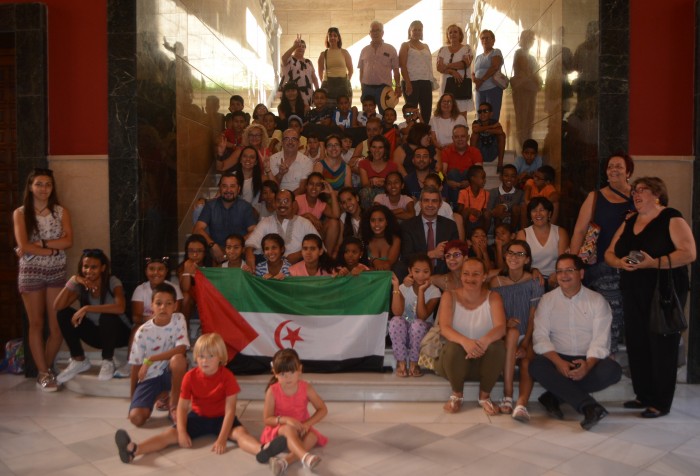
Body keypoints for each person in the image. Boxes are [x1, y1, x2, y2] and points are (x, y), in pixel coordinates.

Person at [115, 333, 287, 464]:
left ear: (221, 358)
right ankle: (133, 450)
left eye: (211, 356)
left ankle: (263, 450)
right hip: (197, 417)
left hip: (222, 418)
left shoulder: (227, 377)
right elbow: (182, 408)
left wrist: (222, 438)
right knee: (169, 435)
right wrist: (182, 432)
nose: (205, 361)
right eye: (201, 356)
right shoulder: (190, 377)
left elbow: (230, 411)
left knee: (241, 434)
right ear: (196, 357)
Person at [605, 177, 696, 418]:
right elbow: (609, 253)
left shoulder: (671, 217)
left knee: (661, 344)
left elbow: (689, 253)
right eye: (634, 190)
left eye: (641, 190)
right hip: (633, 289)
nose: (635, 194)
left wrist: (652, 263)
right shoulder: (630, 220)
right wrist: (619, 262)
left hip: (664, 290)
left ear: (657, 194)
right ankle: (643, 395)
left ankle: (661, 401)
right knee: (637, 342)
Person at [530, 254, 622, 430]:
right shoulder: (548, 300)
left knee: (613, 371)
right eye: (560, 271)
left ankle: (554, 397)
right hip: (559, 356)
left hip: (587, 357)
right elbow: (540, 337)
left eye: (569, 271)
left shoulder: (597, 301)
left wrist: (588, 365)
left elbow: (601, 340)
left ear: (581, 273)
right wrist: (558, 362)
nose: (563, 275)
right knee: (537, 365)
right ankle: (588, 406)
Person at [12, 167, 73, 391]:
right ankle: (44, 373)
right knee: (36, 323)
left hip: (56, 271)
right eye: (39, 184)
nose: (43, 189)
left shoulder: (60, 212)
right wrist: (51, 250)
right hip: (31, 272)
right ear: (30, 186)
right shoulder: (20, 213)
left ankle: (44, 370)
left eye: (47, 184)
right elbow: (24, 245)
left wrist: (42, 245)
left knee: (56, 327)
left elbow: (68, 241)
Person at [570, 152, 634, 354]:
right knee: (611, 304)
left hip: (632, 264)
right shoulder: (595, 197)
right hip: (600, 265)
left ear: (628, 172)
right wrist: (573, 264)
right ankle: (609, 352)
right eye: (610, 167)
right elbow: (579, 230)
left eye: (619, 167)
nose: (614, 170)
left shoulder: (638, 196)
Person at [435, 258, 507, 415]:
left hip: (483, 362)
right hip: (453, 363)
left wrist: (482, 343)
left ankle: (485, 396)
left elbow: (501, 328)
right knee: (454, 347)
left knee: (498, 347)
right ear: (461, 276)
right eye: (466, 274)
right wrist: (466, 342)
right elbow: (445, 328)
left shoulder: (493, 297)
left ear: (484, 277)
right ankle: (457, 395)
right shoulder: (449, 295)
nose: (470, 278)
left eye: (476, 274)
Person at [54, 249, 131, 383]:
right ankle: (79, 360)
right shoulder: (81, 286)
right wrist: (72, 281)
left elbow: (120, 308)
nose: (89, 271)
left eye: (94, 267)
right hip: (96, 335)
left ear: (103, 268)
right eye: (86, 266)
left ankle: (108, 361)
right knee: (63, 314)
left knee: (108, 316)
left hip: (120, 334)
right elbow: (57, 306)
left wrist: (87, 307)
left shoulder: (112, 281)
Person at [490, 240, 544, 422]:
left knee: (527, 362)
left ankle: (520, 404)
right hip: (504, 334)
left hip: (527, 334)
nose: (514, 257)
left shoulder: (535, 281)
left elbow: (533, 317)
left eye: (520, 254)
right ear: (505, 256)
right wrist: (505, 323)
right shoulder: (495, 282)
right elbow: (490, 313)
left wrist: (526, 343)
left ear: (527, 259)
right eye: (511, 253)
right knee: (511, 335)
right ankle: (507, 394)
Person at [127, 283, 189, 426]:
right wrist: (133, 399)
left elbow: (181, 350)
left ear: (175, 306)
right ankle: (161, 396)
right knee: (136, 419)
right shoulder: (142, 331)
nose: (163, 307)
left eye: (168, 304)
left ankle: (173, 405)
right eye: (159, 303)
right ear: (152, 306)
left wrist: (151, 359)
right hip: (150, 377)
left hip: (170, 373)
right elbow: (136, 365)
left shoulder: (179, 319)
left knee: (179, 360)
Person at [262, 348, 328, 475]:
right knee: (288, 429)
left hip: (301, 427)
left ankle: (285, 461)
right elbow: (267, 419)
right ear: (274, 373)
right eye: (282, 374)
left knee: (313, 437)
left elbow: (322, 409)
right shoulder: (273, 391)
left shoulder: (306, 388)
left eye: (291, 372)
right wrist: (286, 420)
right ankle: (305, 457)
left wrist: (307, 424)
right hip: (279, 428)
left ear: (300, 369)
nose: (287, 377)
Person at [390, 254, 441, 377]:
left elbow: (422, 316)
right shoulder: (403, 287)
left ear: (431, 272)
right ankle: (401, 362)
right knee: (395, 321)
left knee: (418, 324)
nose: (421, 275)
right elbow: (397, 312)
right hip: (404, 333)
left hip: (422, 335)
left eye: (425, 272)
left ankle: (415, 363)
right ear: (410, 271)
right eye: (417, 271)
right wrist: (397, 286)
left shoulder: (434, 291)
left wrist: (421, 291)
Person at [193, 171, 257, 264]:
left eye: (232, 186)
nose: (228, 190)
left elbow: (254, 230)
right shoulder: (210, 206)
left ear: (238, 189)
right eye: (224, 186)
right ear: (219, 188)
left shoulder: (245, 207)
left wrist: (235, 246)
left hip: (238, 254)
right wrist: (212, 245)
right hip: (215, 252)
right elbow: (197, 229)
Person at [245, 189, 319, 267]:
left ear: (294, 204)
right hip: (270, 267)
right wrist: (249, 255)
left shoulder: (304, 223)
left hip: (298, 267)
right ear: (274, 204)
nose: (282, 205)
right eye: (279, 201)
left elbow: (318, 246)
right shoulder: (265, 222)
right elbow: (250, 244)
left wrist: (299, 254)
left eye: (286, 201)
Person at [400, 186, 460, 276]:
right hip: (416, 274)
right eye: (426, 200)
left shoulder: (450, 226)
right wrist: (431, 254)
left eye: (434, 201)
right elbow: (406, 257)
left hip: (443, 274)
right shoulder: (407, 226)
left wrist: (447, 253)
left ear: (440, 204)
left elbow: (457, 254)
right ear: (420, 203)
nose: (430, 205)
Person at [516, 197, 569, 289]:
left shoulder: (560, 232)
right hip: (531, 277)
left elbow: (564, 261)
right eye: (534, 210)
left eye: (542, 210)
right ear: (530, 215)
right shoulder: (523, 234)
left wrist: (558, 273)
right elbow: (521, 261)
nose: (538, 214)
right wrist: (533, 270)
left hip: (557, 277)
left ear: (549, 213)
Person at [357, 20, 401, 115]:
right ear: (369, 33)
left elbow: (396, 70)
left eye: (378, 30)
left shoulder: (391, 49)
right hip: (367, 88)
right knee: (366, 116)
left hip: (384, 89)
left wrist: (398, 86)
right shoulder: (364, 50)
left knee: (385, 115)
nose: (375, 33)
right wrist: (362, 86)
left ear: (382, 33)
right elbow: (361, 70)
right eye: (373, 31)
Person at [177, 234, 215, 341]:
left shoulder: (212, 264)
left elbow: (213, 288)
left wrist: (200, 273)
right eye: (191, 251)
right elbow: (185, 288)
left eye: (199, 251)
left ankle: (206, 330)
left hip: (206, 295)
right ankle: (185, 331)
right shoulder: (183, 266)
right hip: (192, 297)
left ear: (205, 252)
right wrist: (187, 272)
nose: (195, 254)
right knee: (185, 297)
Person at [296, 172, 340, 254]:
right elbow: (289, 219)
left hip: (314, 237)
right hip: (298, 236)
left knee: (334, 222)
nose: (314, 187)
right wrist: (308, 216)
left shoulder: (321, 204)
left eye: (318, 185)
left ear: (322, 188)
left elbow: (336, 215)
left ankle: (328, 257)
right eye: (311, 184)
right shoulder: (298, 200)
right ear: (306, 186)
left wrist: (332, 193)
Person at [399, 21, 433, 124]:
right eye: (415, 30)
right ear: (410, 31)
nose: (417, 32)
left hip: (426, 82)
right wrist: (408, 82)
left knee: (426, 111)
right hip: (411, 82)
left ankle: (424, 133)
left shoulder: (426, 46)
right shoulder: (405, 45)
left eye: (419, 30)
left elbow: (429, 65)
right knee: (411, 111)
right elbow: (402, 65)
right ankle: (411, 132)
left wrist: (431, 82)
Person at [436, 24, 474, 116]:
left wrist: (447, 65)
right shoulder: (443, 50)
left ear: (460, 34)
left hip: (461, 85)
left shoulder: (467, 48)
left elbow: (465, 64)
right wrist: (452, 72)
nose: (453, 34)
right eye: (450, 32)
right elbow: (439, 67)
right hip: (446, 85)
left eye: (455, 32)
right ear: (447, 36)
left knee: (461, 115)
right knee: (446, 114)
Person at [511, 30, 541, 146]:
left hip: (531, 89)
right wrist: (534, 76)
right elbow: (527, 70)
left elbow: (535, 73)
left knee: (529, 119)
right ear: (523, 39)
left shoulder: (531, 57)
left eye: (532, 39)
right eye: (529, 38)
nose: (531, 41)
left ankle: (527, 142)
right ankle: (523, 143)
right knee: (522, 119)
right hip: (522, 89)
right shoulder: (520, 53)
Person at [441, 124, 483, 206]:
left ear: (468, 137)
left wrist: (469, 182)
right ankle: (458, 206)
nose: (460, 139)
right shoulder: (446, 152)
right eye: (456, 137)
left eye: (462, 136)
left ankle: (461, 206)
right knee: (453, 173)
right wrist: (448, 182)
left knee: (470, 172)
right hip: (452, 186)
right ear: (453, 139)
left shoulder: (475, 152)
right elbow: (441, 173)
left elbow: (480, 174)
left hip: (470, 186)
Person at [358, 135, 399, 210]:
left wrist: (384, 182)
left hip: (386, 193)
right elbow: (365, 184)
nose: (376, 150)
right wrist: (373, 182)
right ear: (370, 149)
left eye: (380, 147)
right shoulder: (363, 163)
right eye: (374, 147)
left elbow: (394, 186)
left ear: (385, 149)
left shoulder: (393, 165)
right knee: (366, 192)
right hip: (368, 194)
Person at [268, 129, 314, 194]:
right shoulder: (273, 159)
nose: (290, 142)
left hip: (297, 198)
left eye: (294, 139)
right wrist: (280, 174)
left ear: (299, 143)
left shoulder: (306, 161)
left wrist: (288, 199)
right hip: (277, 197)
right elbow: (272, 187)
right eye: (286, 139)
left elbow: (302, 188)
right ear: (282, 142)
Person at [472, 29, 505, 120]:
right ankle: (482, 134)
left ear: (493, 40)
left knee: (492, 116)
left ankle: (492, 134)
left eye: (487, 38)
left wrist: (481, 80)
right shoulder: (478, 57)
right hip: (479, 90)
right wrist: (475, 80)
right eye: (482, 38)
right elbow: (473, 72)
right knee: (480, 117)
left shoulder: (496, 52)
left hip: (493, 88)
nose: (485, 40)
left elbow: (495, 67)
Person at [317, 27, 354, 106]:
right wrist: (325, 82)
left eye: (335, 35)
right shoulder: (323, 54)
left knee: (344, 111)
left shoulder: (344, 52)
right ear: (327, 38)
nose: (332, 37)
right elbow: (320, 72)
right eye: (330, 35)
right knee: (329, 112)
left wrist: (346, 81)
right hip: (328, 86)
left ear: (338, 38)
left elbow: (351, 70)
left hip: (343, 86)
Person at [279, 35, 318, 107]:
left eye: (303, 46)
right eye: (299, 46)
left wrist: (317, 91)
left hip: (307, 93)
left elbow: (314, 78)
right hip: (292, 93)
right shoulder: (290, 59)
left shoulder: (308, 62)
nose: (301, 48)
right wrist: (294, 46)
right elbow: (283, 58)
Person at [361, 204, 401, 271]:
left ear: (387, 222)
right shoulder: (363, 240)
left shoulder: (395, 239)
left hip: (388, 279)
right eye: (373, 220)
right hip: (368, 279)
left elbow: (387, 266)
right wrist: (374, 261)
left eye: (380, 220)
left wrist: (373, 261)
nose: (376, 224)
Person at [486, 164, 526, 232]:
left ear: (516, 178)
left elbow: (518, 207)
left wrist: (504, 208)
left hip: (513, 223)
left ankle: (512, 233)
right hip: (498, 221)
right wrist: (498, 211)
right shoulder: (494, 192)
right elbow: (490, 209)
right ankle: (497, 233)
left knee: (516, 207)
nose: (509, 179)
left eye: (512, 176)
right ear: (501, 177)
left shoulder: (520, 193)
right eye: (506, 176)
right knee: (497, 209)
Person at [471, 102, 505, 170]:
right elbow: (475, 130)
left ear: (491, 114)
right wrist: (492, 127)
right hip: (480, 152)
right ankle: (472, 163)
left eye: (485, 111)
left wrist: (482, 129)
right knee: (474, 135)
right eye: (480, 111)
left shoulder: (495, 122)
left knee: (502, 135)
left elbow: (500, 131)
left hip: (493, 150)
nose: (482, 113)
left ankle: (500, 163)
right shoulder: (476, 122)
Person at [457, 165, 490, 235]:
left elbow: (484, 211)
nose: (485, 180)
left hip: (479, 222)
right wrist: (471, 210)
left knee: (487, 214)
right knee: (466, 211)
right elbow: (459, 212)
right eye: (483, 178)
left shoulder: (486, 193)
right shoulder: (463, 192)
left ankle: (484, 235)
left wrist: (479, 213)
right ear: (473, 179)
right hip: (466, 223)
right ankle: (464, 236)